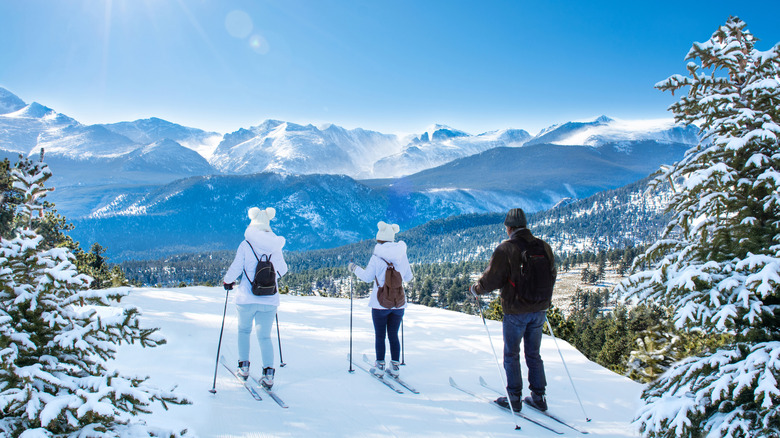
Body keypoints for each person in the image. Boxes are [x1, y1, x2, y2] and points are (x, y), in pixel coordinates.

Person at [469, 208, 556, 412]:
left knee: (512, 354)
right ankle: (539, 397)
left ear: (508, 228)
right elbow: (552, 274)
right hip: (540, 308)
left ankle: (514, 398)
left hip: (516, 309)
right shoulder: (544, 246)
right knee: (533, 353)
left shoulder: (506, 249)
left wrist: (476, 289)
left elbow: (492, 280)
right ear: (525, 225)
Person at [223, 206, 288, 388]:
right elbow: (283, 270)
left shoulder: (246, 244)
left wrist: (227, 281)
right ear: (268, 224)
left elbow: (236, 267)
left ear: (252, 224)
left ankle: (243, 368)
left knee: (244, 331)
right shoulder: (275, 247)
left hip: (246, 298)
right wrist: (270, 280)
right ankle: (268, 374)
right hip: (269, 299)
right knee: (265, 337)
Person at [348, 221, 413, 378]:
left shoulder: (376, 257)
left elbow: (367, 277)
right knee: (393, 334)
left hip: (380, 303)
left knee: (380, 335)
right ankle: (395, 367)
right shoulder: (402, 255)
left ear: (380, 239)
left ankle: (380, 367)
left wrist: (354, 268)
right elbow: (409, 277)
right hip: (399, 303)